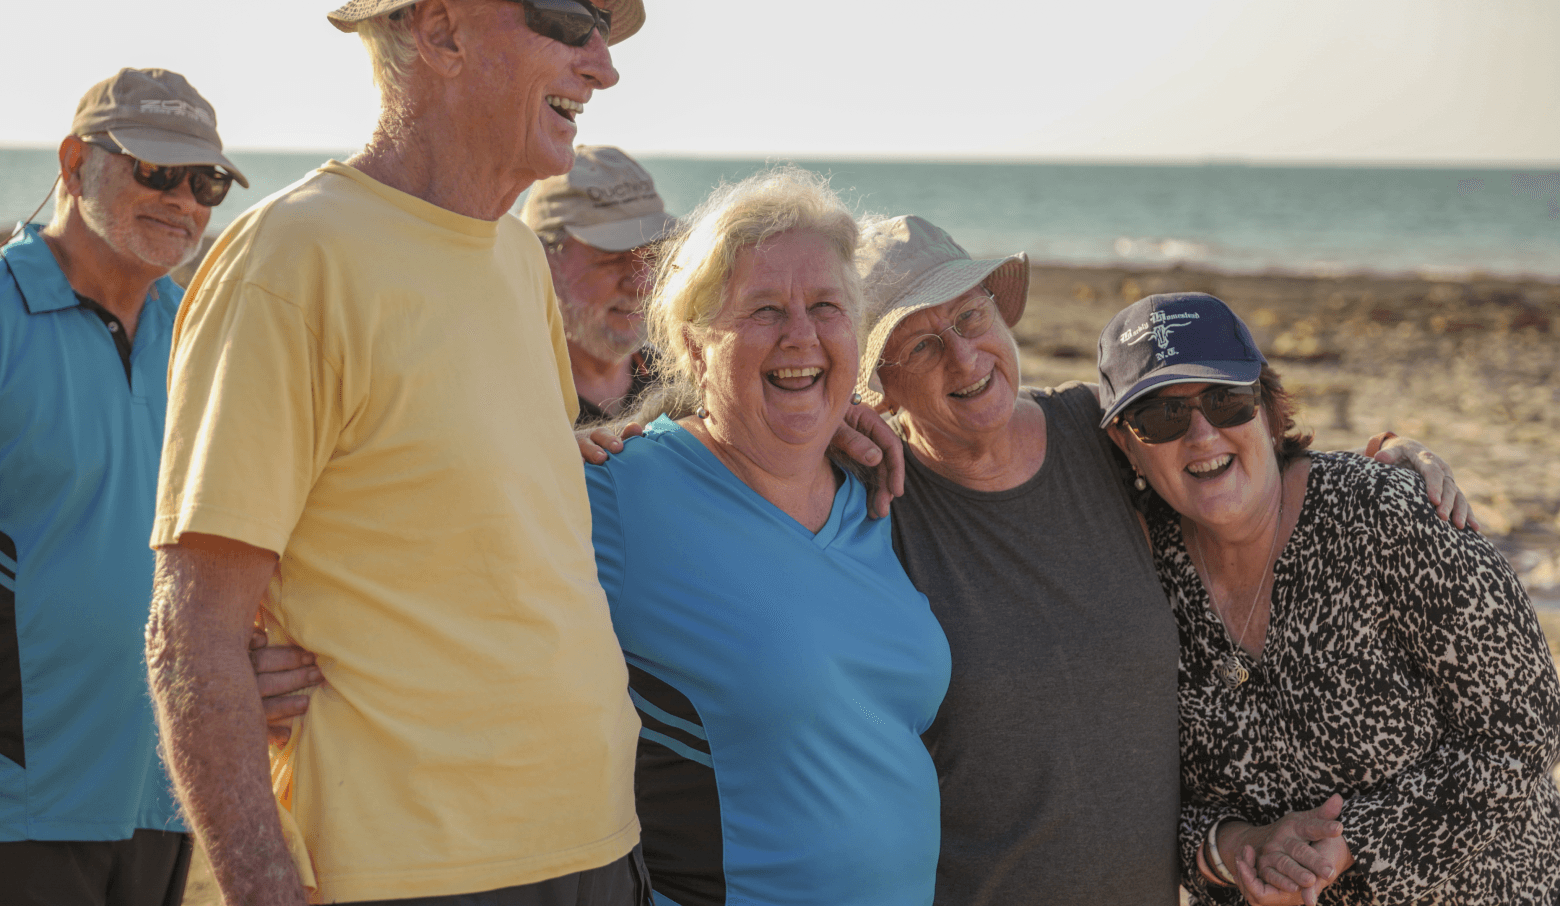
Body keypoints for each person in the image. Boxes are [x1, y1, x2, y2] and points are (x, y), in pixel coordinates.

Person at [145, 0, 652, 906]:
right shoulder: (293, 258)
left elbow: (487, 509)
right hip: (410, 866)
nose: (602, 64)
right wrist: (259, 883)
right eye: (569, 24)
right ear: (440, 30)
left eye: (603, 35)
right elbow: (193, 628)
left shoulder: (515, 256)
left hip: (597, 840)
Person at [851, 216, 1472, 906]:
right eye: (921, 346)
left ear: (1001, 313)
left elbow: (1230, 460)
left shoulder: (1097, 432)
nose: (964, 359)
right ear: (877, 387)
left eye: (971, 316)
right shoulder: (866, 502)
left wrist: (1388, 458)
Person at [1098, 292, 1560, 906]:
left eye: (1225, 398)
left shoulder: (1384, 516)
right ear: (1127, 445)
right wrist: (1238, 848)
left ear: (1264, 407)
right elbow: (1143, 804)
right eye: (1161, 416)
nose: (1202, 433)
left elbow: (1525, 729)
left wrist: (1351, 846)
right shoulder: (1138, 576)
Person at [587, 167, 949, 905]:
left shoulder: (872, 496)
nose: (801, 336)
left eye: (826, 307)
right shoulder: (624, 491)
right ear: (691, 348)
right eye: (762, 310)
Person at [0, 68, 246, 906]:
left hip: (166, 793)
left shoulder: (204, 334)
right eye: (154, 170)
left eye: (205, 180)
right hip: (19, 802)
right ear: (73, 165)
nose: (183, 199)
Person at [519, 145, 675, 424]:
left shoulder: (683, 386)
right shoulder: (507, 399)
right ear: (540, 260)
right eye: (611, 258)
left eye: (653, 254)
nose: (642, 282)